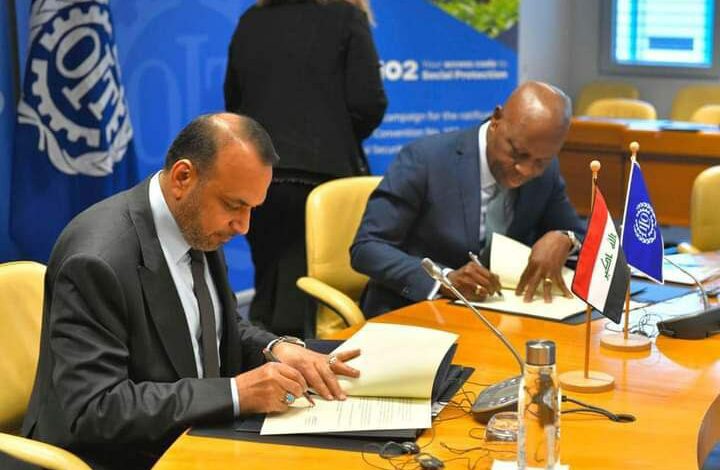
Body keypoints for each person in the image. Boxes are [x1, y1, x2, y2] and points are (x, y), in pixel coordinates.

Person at [18, 113, 360, 470]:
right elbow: (96, 408)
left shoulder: (198, 222)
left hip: (199, 435)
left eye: (252, 208)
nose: (243, 226)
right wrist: (236, 394)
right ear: (183, 177)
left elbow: (214, 327)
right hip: (117, 456)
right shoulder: (96, 260)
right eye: (234, 205)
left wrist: (275, 349)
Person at [351, 81, 585, 318]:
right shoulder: (425, 160)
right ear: (496, 120)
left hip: (500, 313)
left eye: (540, 162)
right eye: (517, 153)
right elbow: (367, 247)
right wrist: (445, 279)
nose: (525, 170)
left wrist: (566, 238)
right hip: (416, 309)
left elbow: (580, 234)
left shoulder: (546, 172)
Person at [224, 0, 387, 337]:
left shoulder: (251, 20)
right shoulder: (347, 17)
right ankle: (300, 366)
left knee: (269, 288)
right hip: (325, 181)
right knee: (316, 298)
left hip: (260, 176)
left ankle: (262, 360)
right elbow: (368, 102)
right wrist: (333, 137)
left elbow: (235, 101)